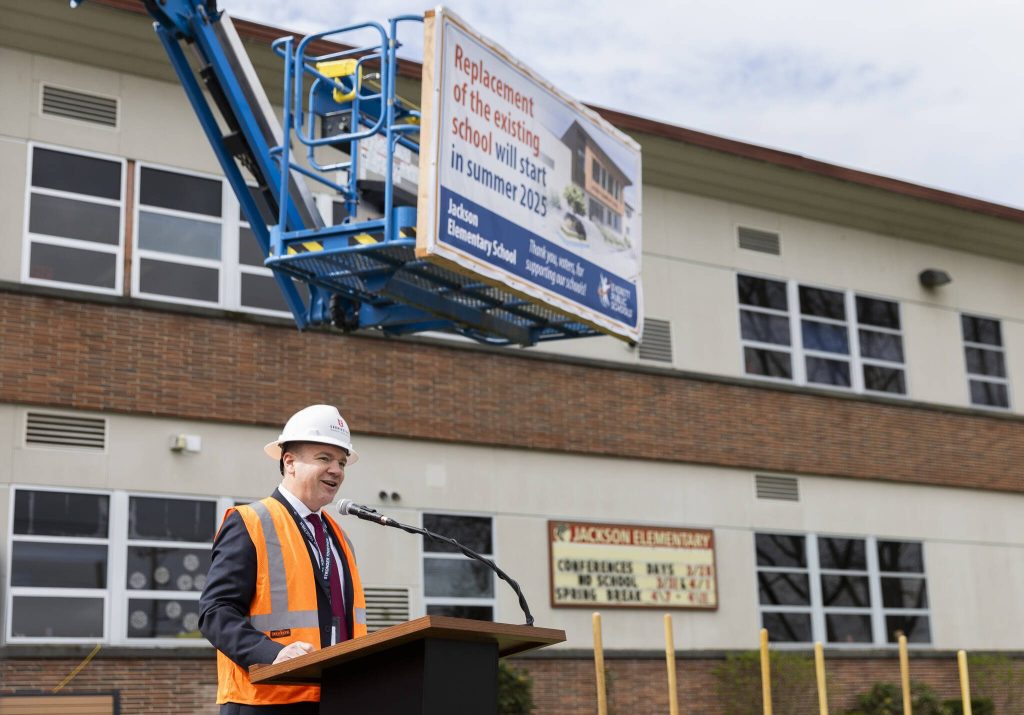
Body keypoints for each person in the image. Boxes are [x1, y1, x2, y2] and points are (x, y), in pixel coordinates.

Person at [199, 404, 368, 714]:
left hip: (336, 699)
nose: (337, 470)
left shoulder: (340, 539)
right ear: (289, 462)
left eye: (342, 462)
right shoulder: (250, 521)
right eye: (324, 458)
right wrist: (272, 653)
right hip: (265, 701)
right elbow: (215, 613)